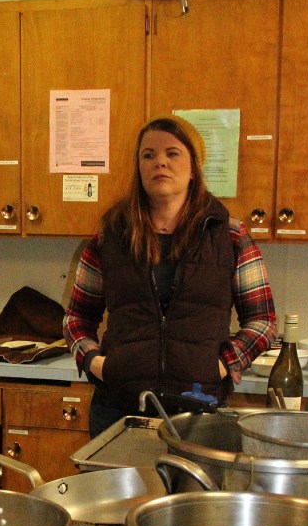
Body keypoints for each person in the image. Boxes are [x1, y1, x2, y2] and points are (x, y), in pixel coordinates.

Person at [64, 115, 277, 437]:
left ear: (194, 168)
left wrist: (222, 366)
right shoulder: (112, 235)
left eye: (172, 153)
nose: (159, 162)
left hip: (198, 408)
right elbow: (77, 318)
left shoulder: (229, 235)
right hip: (119, 408)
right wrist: (96, 363)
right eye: (148, 155)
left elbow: (263, 320)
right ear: (139, 167)